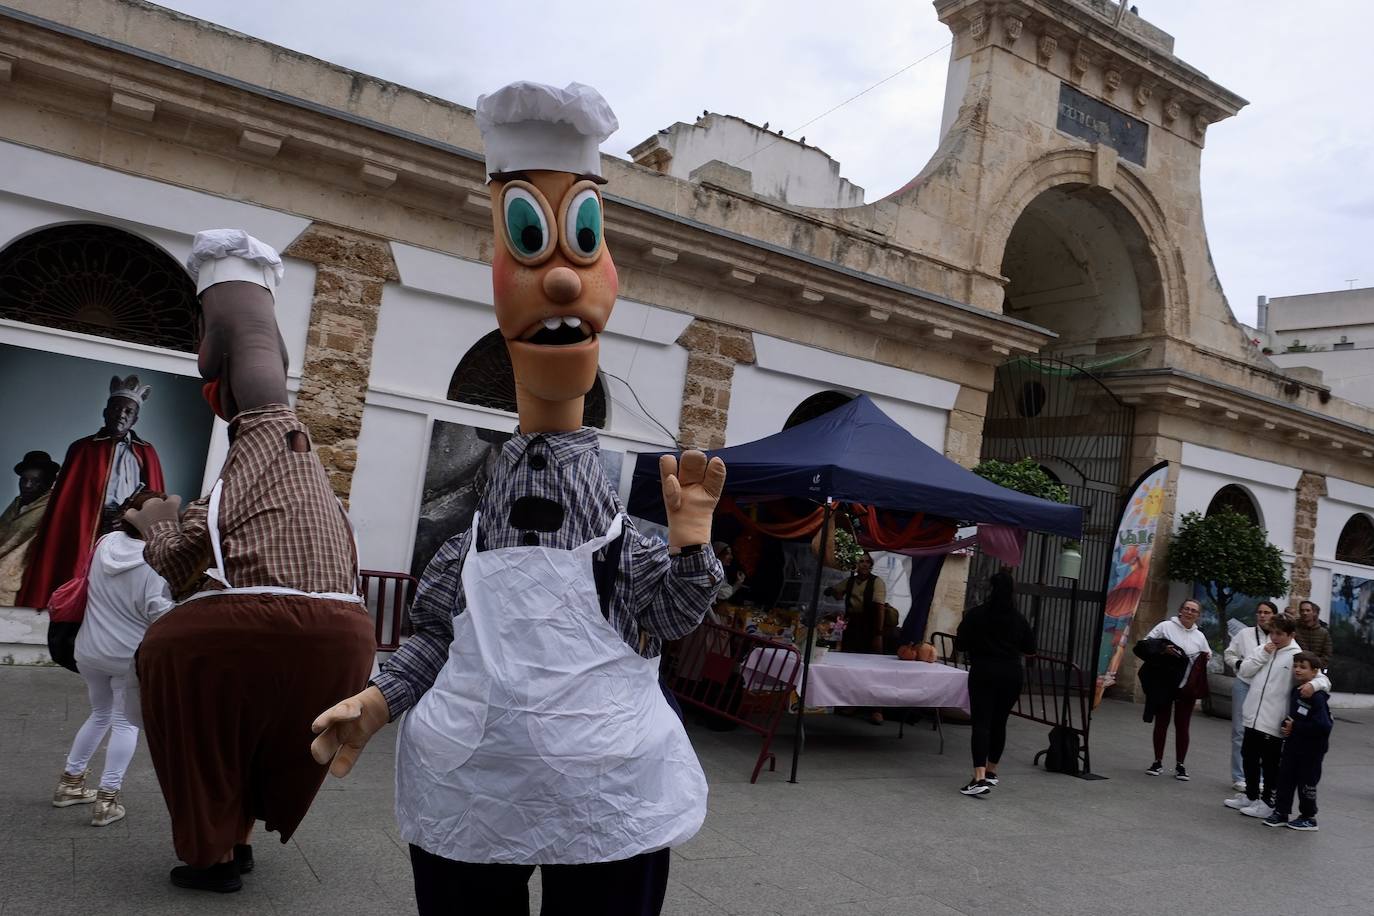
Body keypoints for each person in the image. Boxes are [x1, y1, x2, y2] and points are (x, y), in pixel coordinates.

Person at [309, 81, 725, 916]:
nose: (563, 285)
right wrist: (377, 700)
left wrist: (689, 544)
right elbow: (432, 641)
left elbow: (676, 617)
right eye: (530, 243)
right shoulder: (461, 557)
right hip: (477, 792)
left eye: (581, 246)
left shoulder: (622, 547)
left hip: (607, 801)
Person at [126, 231, 376, 894]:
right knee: (258, 723)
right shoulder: (305, 472)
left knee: (182, 674)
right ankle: (238, 841)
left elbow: (179, 568)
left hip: (249, 627)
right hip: (348, 640)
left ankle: (210, 856)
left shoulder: (245, 459)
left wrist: (154, 527)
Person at [51, 489, 174, 826]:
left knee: (99, 713)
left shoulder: (105, 543)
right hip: (127, 657)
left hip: (89, 649)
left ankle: (70, 783)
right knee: (124, 722)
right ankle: (107, 799)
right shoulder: (154, 560)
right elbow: (157, 611)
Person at [16, 379, 164, 609]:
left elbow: (153, 496)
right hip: (85, 524)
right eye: (116, 408)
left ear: (136, 418)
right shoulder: (82, 448)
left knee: (116, 585)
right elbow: (67, 500)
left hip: (126, 525)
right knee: (75, 572)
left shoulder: (146, 452)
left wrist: (132, 519)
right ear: (105, 412)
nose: (121, 415)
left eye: (128, 411)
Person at [1227, 615, 1330, 819]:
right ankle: (1251, 796)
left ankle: (1267, 802)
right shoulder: (1263, 649)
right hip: (1252, 717)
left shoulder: (1297, 655)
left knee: (1270, 764)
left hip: (1273, 721)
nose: (1274, 637)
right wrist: (1263, 655)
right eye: (1272, 632)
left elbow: (1323, 679)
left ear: (1291, 635)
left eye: (1279, 634)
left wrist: (1313, 685)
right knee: (1249, 757)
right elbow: (1244, 672)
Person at [954, 572, 1035, 796]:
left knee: (981, 723)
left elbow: (960, 644)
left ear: (990, 589)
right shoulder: (1019, 619)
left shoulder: (976, 615)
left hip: (984, 671)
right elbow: (1030, 648)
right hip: (1011, 673)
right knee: (1000, 722)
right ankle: (991, 771)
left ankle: (978, 777)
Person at [1141, 598, 1210, 780]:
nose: (1189, 612)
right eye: (1186, 609)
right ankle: (1157, 762)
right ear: (1180, 611)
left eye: (1193, 610)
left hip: (1186, 687)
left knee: (1183, 725)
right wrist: (1164, 649)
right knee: (1161, 722)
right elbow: (1146, 644)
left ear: (1198, 615)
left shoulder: (1200, 637)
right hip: (1164, 683)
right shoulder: (1165, 627)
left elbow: (1206, 655)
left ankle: (1180, 765)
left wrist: (1205, 657)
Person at [1263, 651, 1332, 830]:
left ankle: (1309, 817)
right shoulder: (1297, 691)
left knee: (1306, 782)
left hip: (1312, 750)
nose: (1297, 670)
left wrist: (1297, 728)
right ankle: (1281, 812)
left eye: (1303, 667)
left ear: (1315, 671)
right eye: (1295, 666)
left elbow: (1323, 726)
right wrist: (1285, 724)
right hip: (1293, 745)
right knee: (1285, 778)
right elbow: (1294, 717)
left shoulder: (1317, 697)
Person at [824, 551, 888, 724]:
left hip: (870, 626)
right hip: (853, 626)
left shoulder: (877, 582)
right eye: (861, 561)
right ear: (856, 564)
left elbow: (880, 609)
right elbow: (838, 593)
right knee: (851, 666)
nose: (864, 564)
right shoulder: (850, 581)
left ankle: (877, 709)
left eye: (867, 561)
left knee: (874, 669)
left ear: (871, 564)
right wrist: (830, 591)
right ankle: (852, 703)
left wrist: (878, 634)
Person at [1223, 600, 1277, 790]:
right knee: (1239, 731)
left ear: (1274, 616)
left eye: (1267, 612)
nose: (1262, 615)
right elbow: (1229, 654)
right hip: (1244, 685)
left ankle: (1260, 777)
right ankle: (1239, 776)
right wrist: (1238, 665)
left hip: (1265, 688)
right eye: (1260, 612)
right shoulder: (1244, 634)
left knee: (1263, 732)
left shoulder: (1278, 638)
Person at [0, 450, 60, 606]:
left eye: (35, 481)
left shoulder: (52, 506)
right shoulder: (17, 503)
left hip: (12, 583)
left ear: (48, 483)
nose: (27, 486)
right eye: (23, 480)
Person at [1293, 600, 1333, 668]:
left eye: (1308, 610)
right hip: (1295, 668)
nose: (1304, 613)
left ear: (1314, 612)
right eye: (1302, 610)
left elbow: (1327, 655)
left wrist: (1313, 666)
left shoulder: (1323, 633)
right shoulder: (1293, 628)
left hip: (1314, 670)